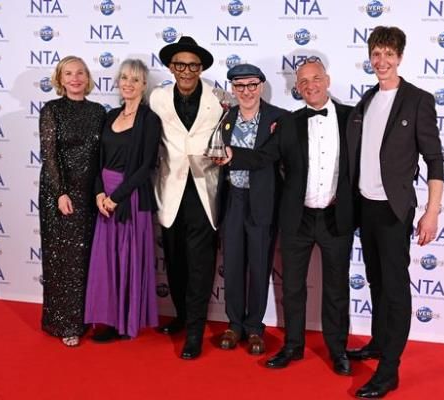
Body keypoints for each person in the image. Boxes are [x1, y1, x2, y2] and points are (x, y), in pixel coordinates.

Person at [214, 58, 354, 375]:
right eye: (303, 82)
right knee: (292, 287)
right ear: (297, 87)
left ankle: (338, 350)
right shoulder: (290, 122)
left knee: (336, 289)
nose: (310, 86)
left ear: (327, 80)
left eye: (315, 79)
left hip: (336, 217)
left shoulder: (350, 118)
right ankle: (293, 346)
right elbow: (266, 155)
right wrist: (234, 154)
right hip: (298, 218)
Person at [345, 26, 444, 398]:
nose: (381, 61)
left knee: (396, 288)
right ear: (369, 57)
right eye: (376, 54)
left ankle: (389, 370)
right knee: (376, 281)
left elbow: (434, 160)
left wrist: (432, 212)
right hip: (365, 208)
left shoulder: (418, 100)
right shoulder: (365, 102)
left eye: (388, 54)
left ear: (400, 57)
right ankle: (379, 342)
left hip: (394, 210)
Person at [150, 36, 223, 359]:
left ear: (201, 68)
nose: (187, 70)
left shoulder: (219, 99)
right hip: (170, 190)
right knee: (176, 261)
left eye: (193, 65)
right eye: (180, 64)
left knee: (200, 266)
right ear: (171, 67)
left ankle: (194, 331)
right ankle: (181, 316)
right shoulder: (157, 98)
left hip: (205, 192)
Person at [84, 59, 161, 341]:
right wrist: (100, 193)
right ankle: (107, 317)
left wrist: (117, 196)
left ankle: (125, 322)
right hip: (105, 196)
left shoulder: (149, 119)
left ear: (144, 85)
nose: (128, 83)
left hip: (130, 197)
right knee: (106, 260)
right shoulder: (109, 115)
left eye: (135, 79)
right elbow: (97, 160)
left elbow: (146, 166)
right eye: (124, 77)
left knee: (128, 257)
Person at [216, 64, 288, 355]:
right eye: (240, 86)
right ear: (233, 88)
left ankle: (255, 327)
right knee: (232, 265)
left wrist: (232, 156)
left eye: (252, 85)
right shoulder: (225, 117)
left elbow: (267, 157)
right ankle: (234, 324)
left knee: (259, 266)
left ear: (261, 86)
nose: (246, 91)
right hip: (232, 199)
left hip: (262, 201)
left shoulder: (279, 119)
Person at [39, 56, 105, 347]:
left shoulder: (98, 111)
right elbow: (49, 154)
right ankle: (64, 323)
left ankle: (86, 316)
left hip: (90, 193)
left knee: (86, 259)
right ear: (60, 78)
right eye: (69, 73)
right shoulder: (51, 110)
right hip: (60, 194)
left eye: (80, 73)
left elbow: (103, 155)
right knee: (63, 262)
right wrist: (60, 193)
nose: (75, 78)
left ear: (87, 77)